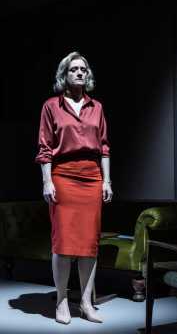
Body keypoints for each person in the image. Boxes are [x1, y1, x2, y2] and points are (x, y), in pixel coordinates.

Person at [35, 51, 112, 324]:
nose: (79, 73)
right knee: (64, 243)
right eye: (73, 69)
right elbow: (44, 149)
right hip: (63, 176)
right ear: (64, 75)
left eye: (83, 69)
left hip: (91, 178)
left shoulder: (97, 107)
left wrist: (107, 181)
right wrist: (47, 180)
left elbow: (104, 148)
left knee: (89, 244)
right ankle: (62, 301)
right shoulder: (51, 107)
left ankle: (86, 303)